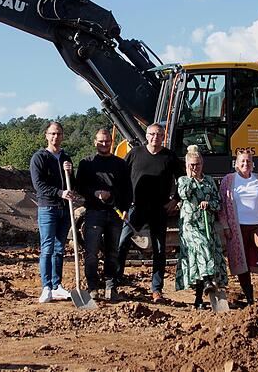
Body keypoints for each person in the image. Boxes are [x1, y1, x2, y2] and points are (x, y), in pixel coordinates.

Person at [117, 123, 183, 303]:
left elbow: (182, 179)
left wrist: (175, 200)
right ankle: (115, 281)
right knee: (122, 242)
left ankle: (156, 289)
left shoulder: (169, 157)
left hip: (158, 210)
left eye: (159, 134)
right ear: (147, 136)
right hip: (135, 208)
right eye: (152, 134)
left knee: (160, 249)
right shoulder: (135, 154)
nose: (155, 137)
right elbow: (121, 179)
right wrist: (122, 206)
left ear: (163, 136)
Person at [75, 129, 131, 302]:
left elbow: (127, 189)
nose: (104, 144)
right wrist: (95, 192)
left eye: (107, 141)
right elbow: (79, 187)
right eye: (101, 141)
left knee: (113, 252)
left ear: (111, 141)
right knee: (91, 252)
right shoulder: (86, 163)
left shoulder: (120, 164)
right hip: (93, 213)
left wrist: (126, 209)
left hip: (115, 214)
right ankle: (93, 287)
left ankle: (110, 287)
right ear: (95, 142)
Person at [218, 150, 258, 304]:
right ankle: (249, 296)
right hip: (237, 227)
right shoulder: (229, 180)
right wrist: (225, 226)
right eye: (242, 161)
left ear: (253, 164)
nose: (245, 164)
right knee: (242, 260)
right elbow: (222, 206)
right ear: (236, 164)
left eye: (248, 161)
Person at [175, 145, 227, 309]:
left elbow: (219, 203)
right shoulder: (183, 180)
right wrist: (190, 177)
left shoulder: (209, 180)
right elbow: (184, 194)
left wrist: (209, 204)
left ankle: (199, 298)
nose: (194, 168)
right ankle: (207, 281)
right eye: (191, 165)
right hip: (190, 226)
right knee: (202, 246)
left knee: (204, 258)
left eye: (197, 165)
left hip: (207, 225)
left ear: (202, 164)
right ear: (186, 165)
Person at [30, 121, 75, 303]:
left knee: (59, 249)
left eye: (59, 134)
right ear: (46, 135)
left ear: (63, 136)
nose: (56, 137)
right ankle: (46, 287)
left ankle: (57, 286)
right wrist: (60, 193)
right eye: (52, 134)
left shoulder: (66, 158)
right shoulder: (39, 157)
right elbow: (38, 185)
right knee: (47, 248)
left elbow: (73, 183)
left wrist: (70, 173)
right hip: (48, 208)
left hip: (65, 210)